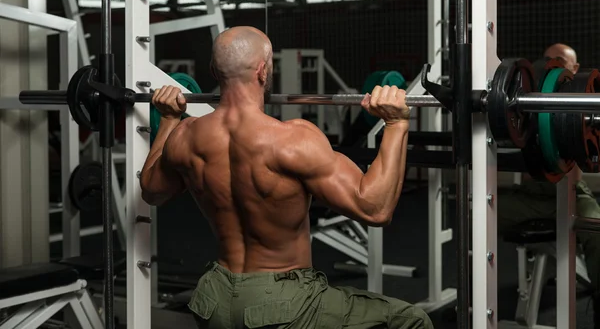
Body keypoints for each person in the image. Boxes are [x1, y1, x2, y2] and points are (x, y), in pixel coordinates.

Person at [139, 26, 434, 329]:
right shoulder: (292, 140)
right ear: (263, 71)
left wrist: (169, 120)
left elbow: (151, 190)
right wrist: (396, 123)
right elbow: (375, 208)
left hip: (214, 300)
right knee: (411, 320)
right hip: (283, 304)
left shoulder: (186, 137)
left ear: (214, 71)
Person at [498, 43, 600, 327]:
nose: (552, 63)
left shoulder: (585, 100)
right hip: (533, 194)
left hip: (573, 193)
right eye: (547, 59)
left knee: (597, 230)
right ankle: (474, 301)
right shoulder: (529, 98)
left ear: (575, 69)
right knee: (477, 216)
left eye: (560, 60)